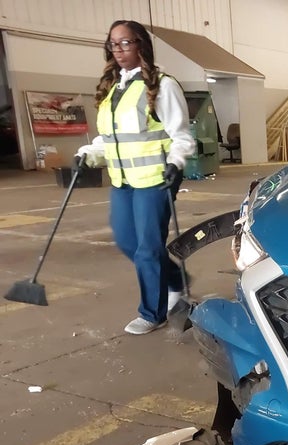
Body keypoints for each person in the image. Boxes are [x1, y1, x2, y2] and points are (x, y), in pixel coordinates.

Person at [75, 20, 195, 335]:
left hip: (156, 177)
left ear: (141, 44)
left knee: (148, 248)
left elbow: (180, 134)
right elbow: (108, 138)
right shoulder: (113, 88)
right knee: (128, 241)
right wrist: (87, 154)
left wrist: (177, 162)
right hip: (123, 180)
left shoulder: (162, 85)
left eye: (126, 42)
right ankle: (175, 280)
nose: (119, 50)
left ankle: (153, 313)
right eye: (113, 44)